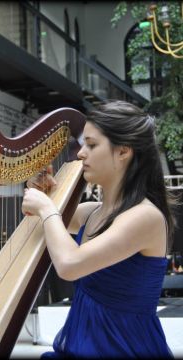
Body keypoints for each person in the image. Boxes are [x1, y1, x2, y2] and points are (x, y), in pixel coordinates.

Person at [22, 100, 176, 358]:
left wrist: (47, 208)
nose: (81, 153)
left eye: (91, 145)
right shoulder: (92, 212)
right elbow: (39, 222)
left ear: (123, 152)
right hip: (81, 344)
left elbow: (69, 265)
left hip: (124, 348)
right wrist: (40, 191)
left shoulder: (145, 216)